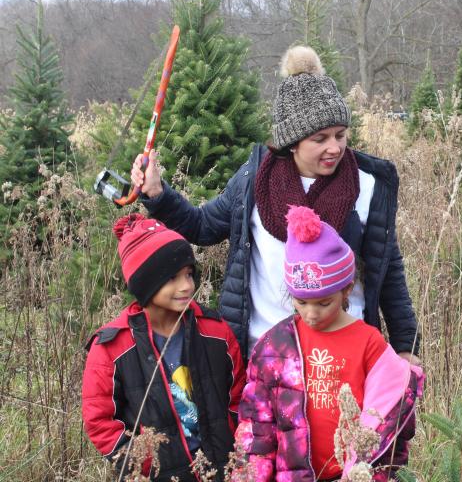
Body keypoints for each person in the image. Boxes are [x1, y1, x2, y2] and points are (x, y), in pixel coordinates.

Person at [130, 46, 420, 364]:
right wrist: (157, 194)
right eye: (320, 139)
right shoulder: (255, 180)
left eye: (340, 135)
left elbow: (388, 267)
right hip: (266, 355)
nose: (334, 148)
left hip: (345, 355)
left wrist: (405, 346)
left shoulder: (368, 185)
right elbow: (202, 226)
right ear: (292, 142)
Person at [236, 206, 423, 481]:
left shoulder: (368, 342)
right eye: (301, 302)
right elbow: (256, 430)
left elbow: (389, 421)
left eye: (324, 303)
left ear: (346, 289)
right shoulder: (275, 348)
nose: (311, 314)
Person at [81, 214, 245, 481]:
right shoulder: (112, 347)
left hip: (221, 469)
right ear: (145, 283)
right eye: (172, 277)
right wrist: (140, 461)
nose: (186, 286)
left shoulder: (216, 332)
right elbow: (99, 420)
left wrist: (239, 452)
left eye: (189, 274)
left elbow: (238, 396)